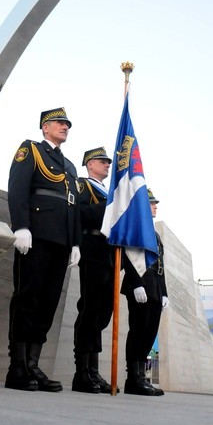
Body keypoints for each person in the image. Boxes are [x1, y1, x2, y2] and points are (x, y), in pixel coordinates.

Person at [5, 107, 81, 393]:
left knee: (48, 302)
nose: (65, 127)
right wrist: (21, 226)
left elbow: (72, 206)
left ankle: (34, 365)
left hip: (61, 241)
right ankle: (17, 367)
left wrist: (76, 242)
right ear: (45, 127)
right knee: (27, 296)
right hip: (35, 234)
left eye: (67, 124)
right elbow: (18, 187)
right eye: (60, 123)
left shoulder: (70, 166)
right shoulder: (31, 150)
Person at [72, 147, 115, 394]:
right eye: (103, 162)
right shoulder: (83, 186)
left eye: (108, 162)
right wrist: (110, 208)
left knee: (102, 313)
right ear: (90, 164)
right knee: (89, 310)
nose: (107, 165)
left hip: (108, 253)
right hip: (92, 249)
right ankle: (82, 372)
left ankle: (93, 369)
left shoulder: (110, 193)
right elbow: (80, 213)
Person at [121, 188, 169, 396]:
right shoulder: (135, 227)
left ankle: (142, 377)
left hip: (155, 288)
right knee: (138, 331)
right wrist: (135, 283)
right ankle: (133, 378)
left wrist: (164, 292)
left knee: (149, 333)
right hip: (140, 286)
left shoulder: (155, 233)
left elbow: (161, 265)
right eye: (151, 203)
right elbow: (128, 256)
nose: (155, 206)